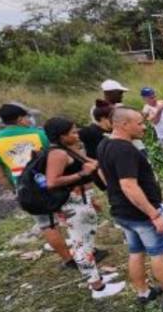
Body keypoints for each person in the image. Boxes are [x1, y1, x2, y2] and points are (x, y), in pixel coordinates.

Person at [97, 107, 163, 306]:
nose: (144, 127)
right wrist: (154, 214)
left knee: (136, 251)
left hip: (123, 211)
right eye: (140, 123)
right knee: (158, 253)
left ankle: (143, 292)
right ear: (124, 125)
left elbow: (103, 175)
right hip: (140, 214)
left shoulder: (105, 144)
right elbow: (129, 185)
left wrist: (115, 195)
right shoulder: (125, 150)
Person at [43, 117, 125, 299]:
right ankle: (98, 288)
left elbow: (90, 163)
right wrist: (83, 173)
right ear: (61, 136)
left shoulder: (67, 150)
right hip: (71, 204)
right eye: (72, 132)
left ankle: (96, 277)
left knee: (86, 242)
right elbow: (52, 182)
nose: (77, 134)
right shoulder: (58, 154)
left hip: (80, 200)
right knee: (81, 245)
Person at [0, 103, 74, 267]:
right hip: (51, 181)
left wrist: (14, 190)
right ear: (20, 119)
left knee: (46, 224)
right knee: (70, 215)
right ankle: (85, 249)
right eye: (26, 117)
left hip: (27, 188)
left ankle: (68, 259)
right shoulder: (39, 135)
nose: (28, 120)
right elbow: (58, 156)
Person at [93, 79, 147, 156]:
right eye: (119, 93)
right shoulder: (99, 110)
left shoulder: (120, 107)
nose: (122, 96)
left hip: (135, 143)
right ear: (110, 93)